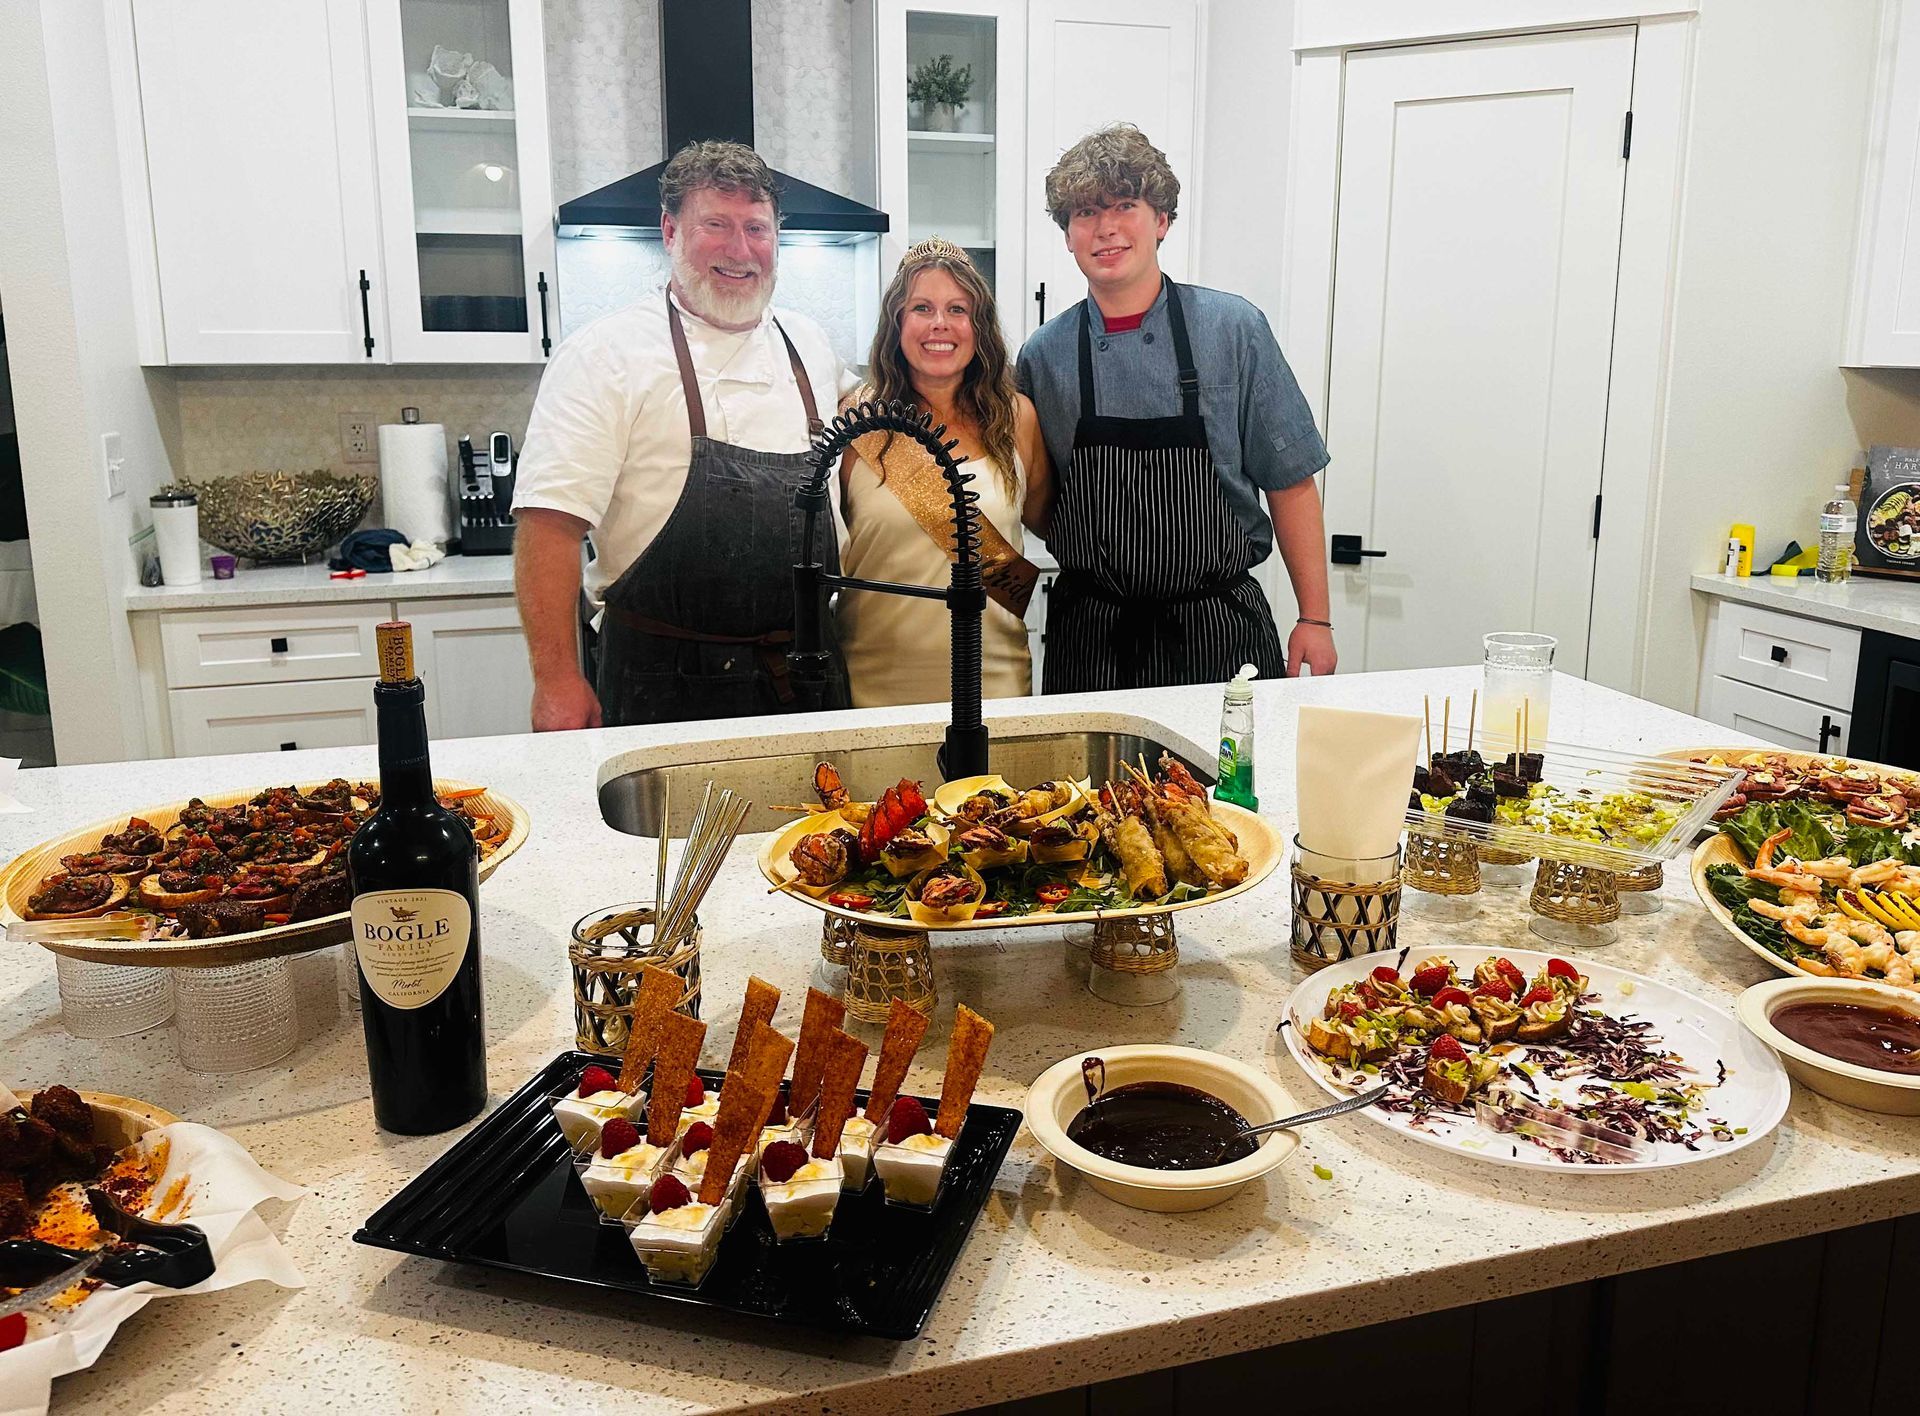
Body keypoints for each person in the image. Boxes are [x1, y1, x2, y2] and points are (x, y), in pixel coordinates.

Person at [512, 140, 851, 729]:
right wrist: (556, 679)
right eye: (715, 225)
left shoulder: (809, 345)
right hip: (661, 683)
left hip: (808, 675)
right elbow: (549, 525)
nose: (740, 250)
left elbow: (870, 413)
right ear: (670, 231)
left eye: (756, 228)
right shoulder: (604, 354)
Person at [1015, 124, 1337, 692]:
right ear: (1067, 234)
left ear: (1161, 220)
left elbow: (1291, 482)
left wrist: (1315, 617)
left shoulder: (1232, 330)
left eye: (1125, 205)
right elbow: (1038, 499)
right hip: (1091, 639)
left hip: (1219, 633)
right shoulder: (1044, 355)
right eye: (1086, 212)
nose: (1106, 227)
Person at [837, 238, 1051, 707]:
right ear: (896, 323)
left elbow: (1051, 524)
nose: (940, 324)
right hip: (873, 682)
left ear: (979, 327)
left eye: (958, 309)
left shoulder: (1017, 419)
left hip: (994, 681)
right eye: (922, 308)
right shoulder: (856, 420)